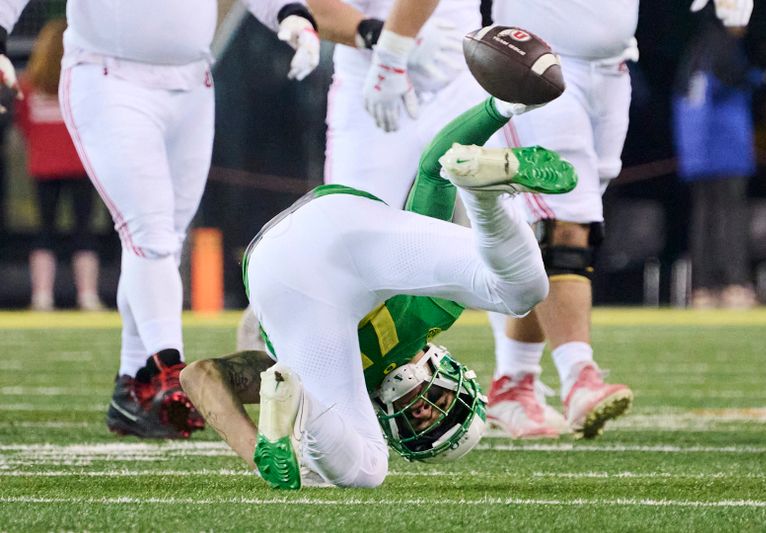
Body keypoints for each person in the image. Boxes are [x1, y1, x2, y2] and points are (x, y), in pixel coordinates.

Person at [181, 96, 578, 489]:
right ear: (449, 374)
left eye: (419, 427)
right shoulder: (434, 308)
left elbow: (201, 376)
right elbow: (435, 171)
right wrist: (499, 108)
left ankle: (295, 407)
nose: (424, 412)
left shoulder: (337, 377)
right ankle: (485, 192)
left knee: (367, 470)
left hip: (291, 270)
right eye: (442, 405)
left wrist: (260, 454)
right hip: (334, 237)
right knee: (522, 293)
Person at [0, 0, 321, 439]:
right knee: (149, 233)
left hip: (191, 81)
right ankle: (168, 368)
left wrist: (290, 14)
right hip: (110, 77)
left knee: (162, 237)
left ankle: (134, 387)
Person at [485, 0, 753, 440]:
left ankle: (514, 382)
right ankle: (578, 376)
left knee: (562, 228)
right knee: (565, 220)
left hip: (611, 69)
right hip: (535, 59)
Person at [236, 0, 491, 349]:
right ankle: (283, 335)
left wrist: (393, 47)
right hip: (366, 75)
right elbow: (306, 6)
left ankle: (517, 376)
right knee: (342, 237)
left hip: (461, 65)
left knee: (505, 225)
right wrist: (377, 38)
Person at [15, 18, 104, 312]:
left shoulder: (29, 87)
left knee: (45, 231)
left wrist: (42, 147)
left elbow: (24, 123)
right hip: (81, 165)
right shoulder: (85, 84)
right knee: (84, 230)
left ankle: (42, 295)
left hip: (43, 167)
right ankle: (87, 295)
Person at [673, 8, 757, 309]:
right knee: (730, 217)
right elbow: (737, 77)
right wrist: (761, 78)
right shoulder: (724, 45)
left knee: (704, 217)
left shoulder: (696, 50)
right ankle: (734, 283)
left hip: (698, 151)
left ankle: (704, 287)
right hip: (726, 148)